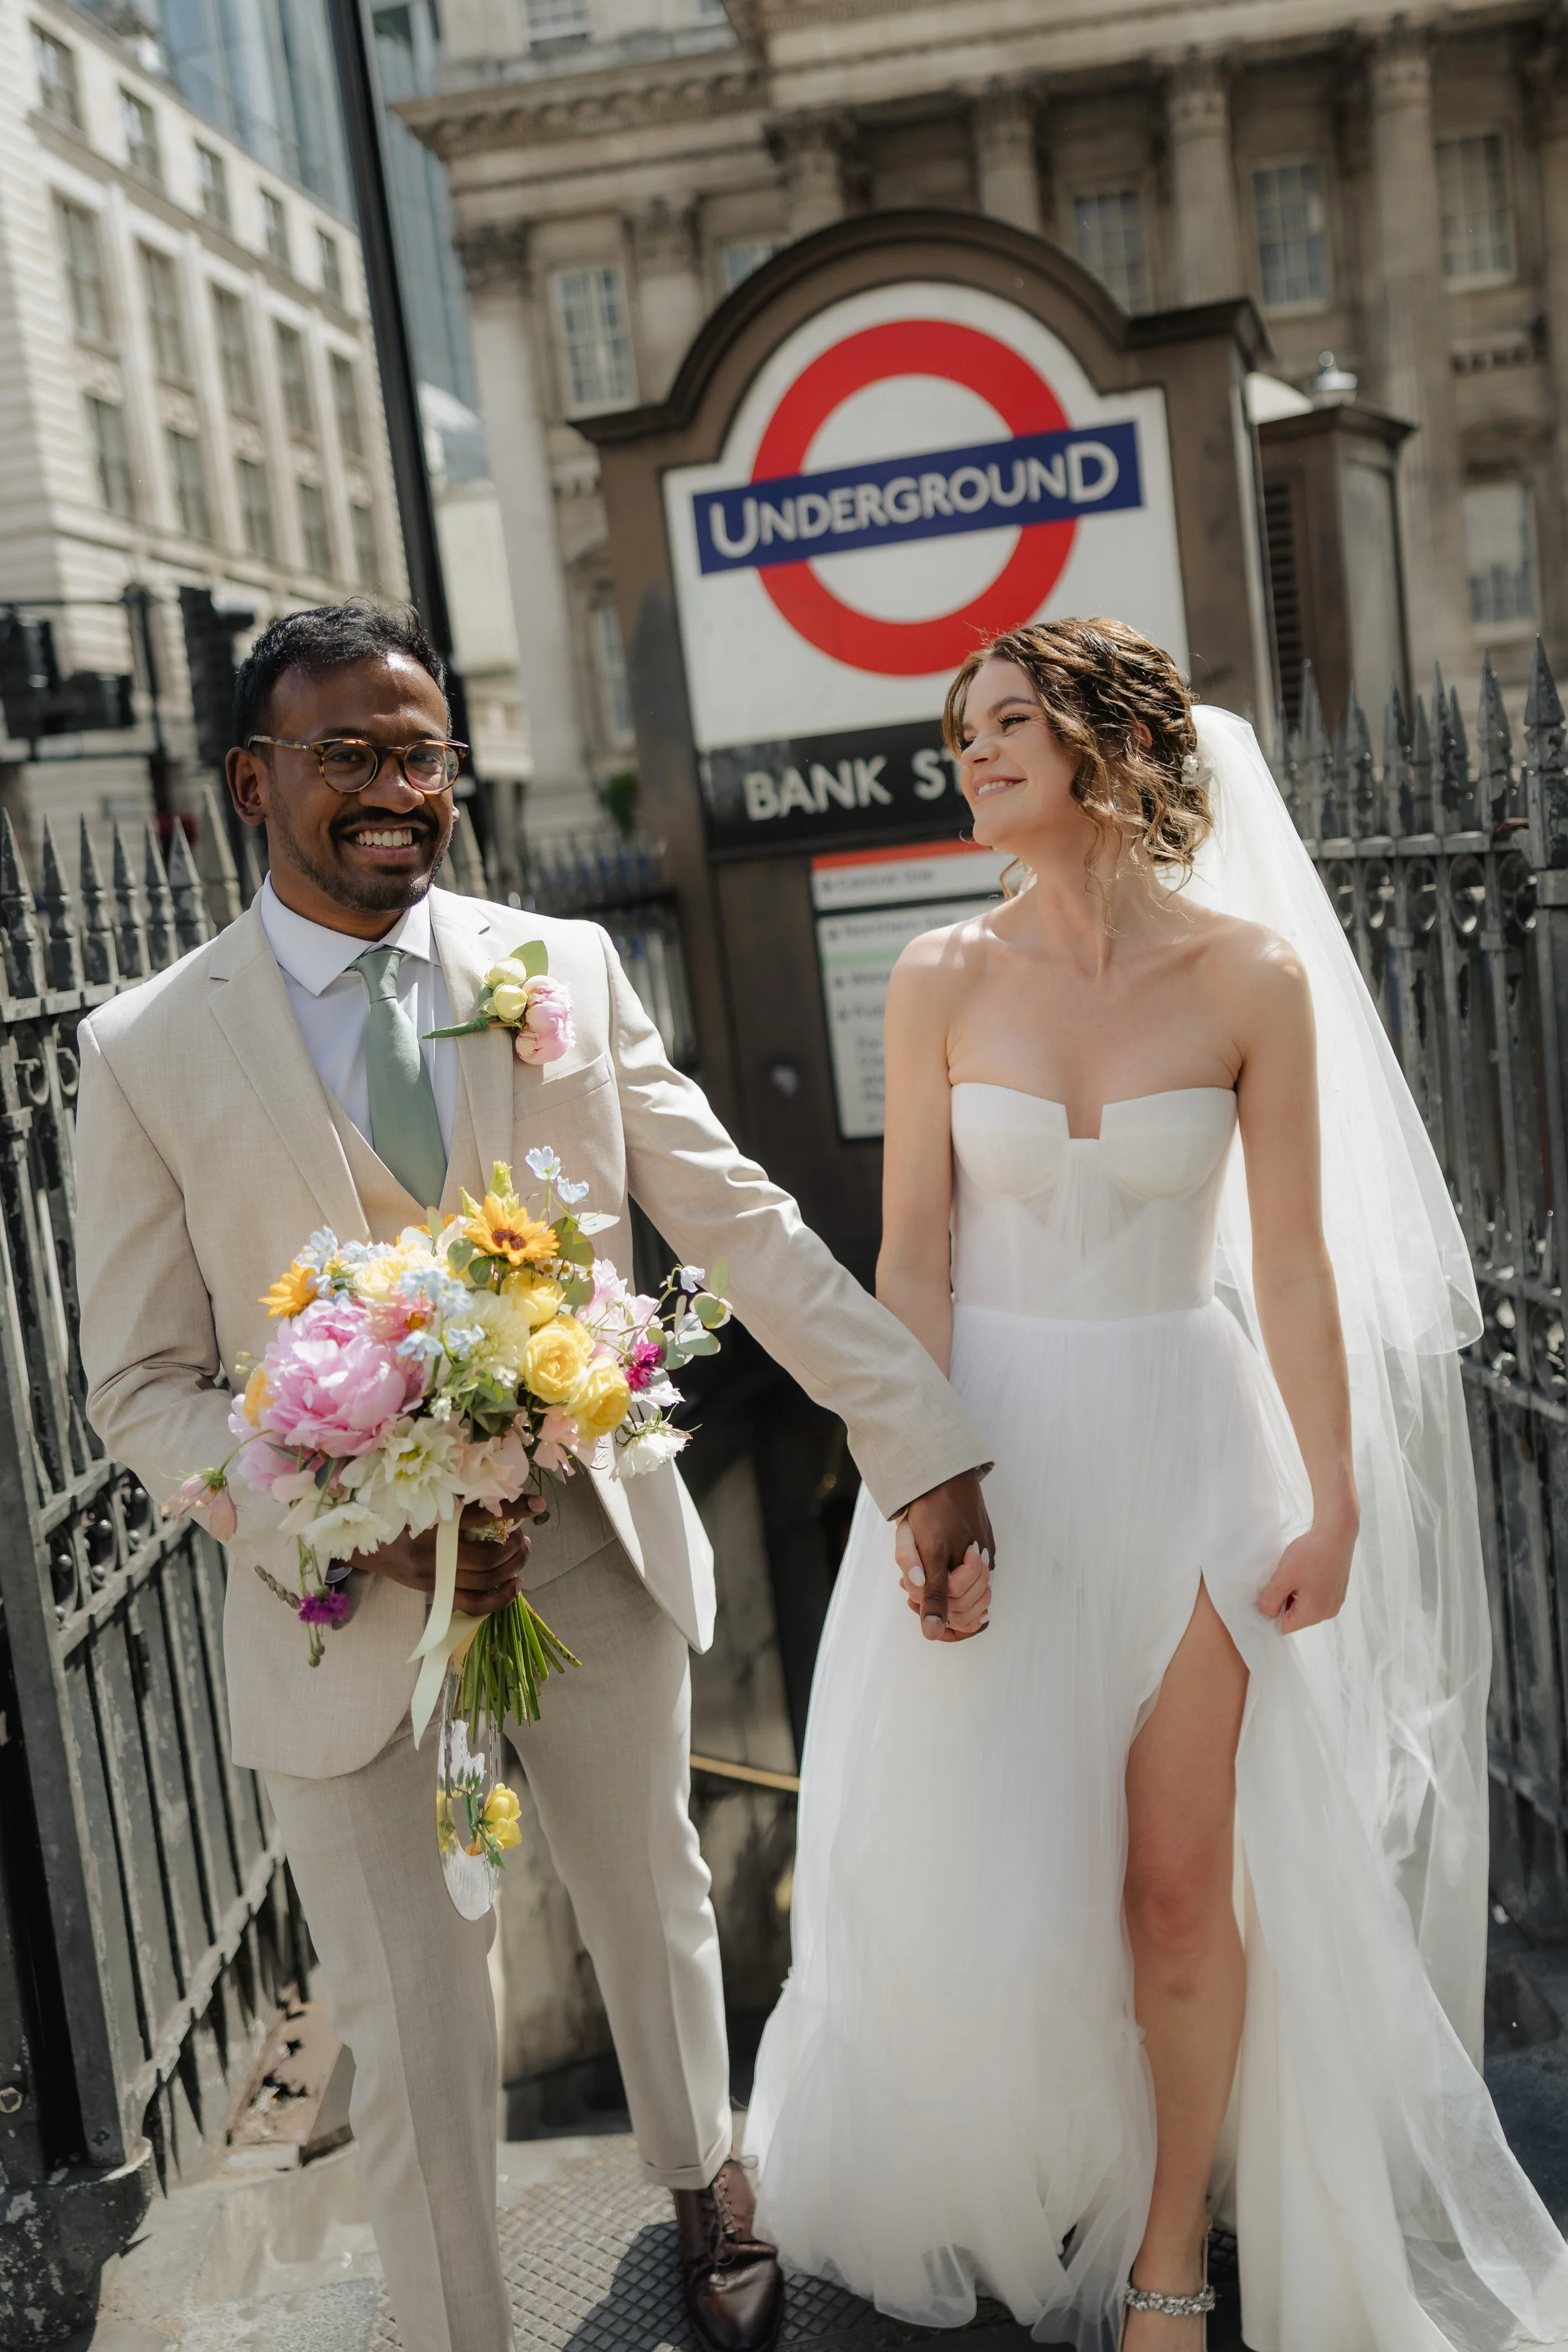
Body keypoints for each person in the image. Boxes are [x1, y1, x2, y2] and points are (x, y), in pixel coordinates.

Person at [72, 599, 995, 2352]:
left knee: (648, 1897)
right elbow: (141, 1389)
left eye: (419, 750)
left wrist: (914, 1427)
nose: (393, 788)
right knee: (417, 2031)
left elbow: (741, 1223)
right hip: (339, 1606)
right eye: (345, 752)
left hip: (588, 1541)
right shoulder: (144, 1048)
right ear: (247, 781)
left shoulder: (553, 970)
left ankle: (699, 2170)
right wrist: (347, 1510)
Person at [744, 618, 1568, 2351]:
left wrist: (1329, 1495)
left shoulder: (1249, 978)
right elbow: (912, 1263)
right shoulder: (937, 978)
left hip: (1193, 1448)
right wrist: (917, 1475)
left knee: (1175, 1886)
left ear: (1110, 743)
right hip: (995, 1453)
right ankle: (1031, 2177)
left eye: (1007, 723)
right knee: (1006, 1872)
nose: (970, 756)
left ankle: (1169, 2248)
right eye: (957, 732)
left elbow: (1286, 1273)